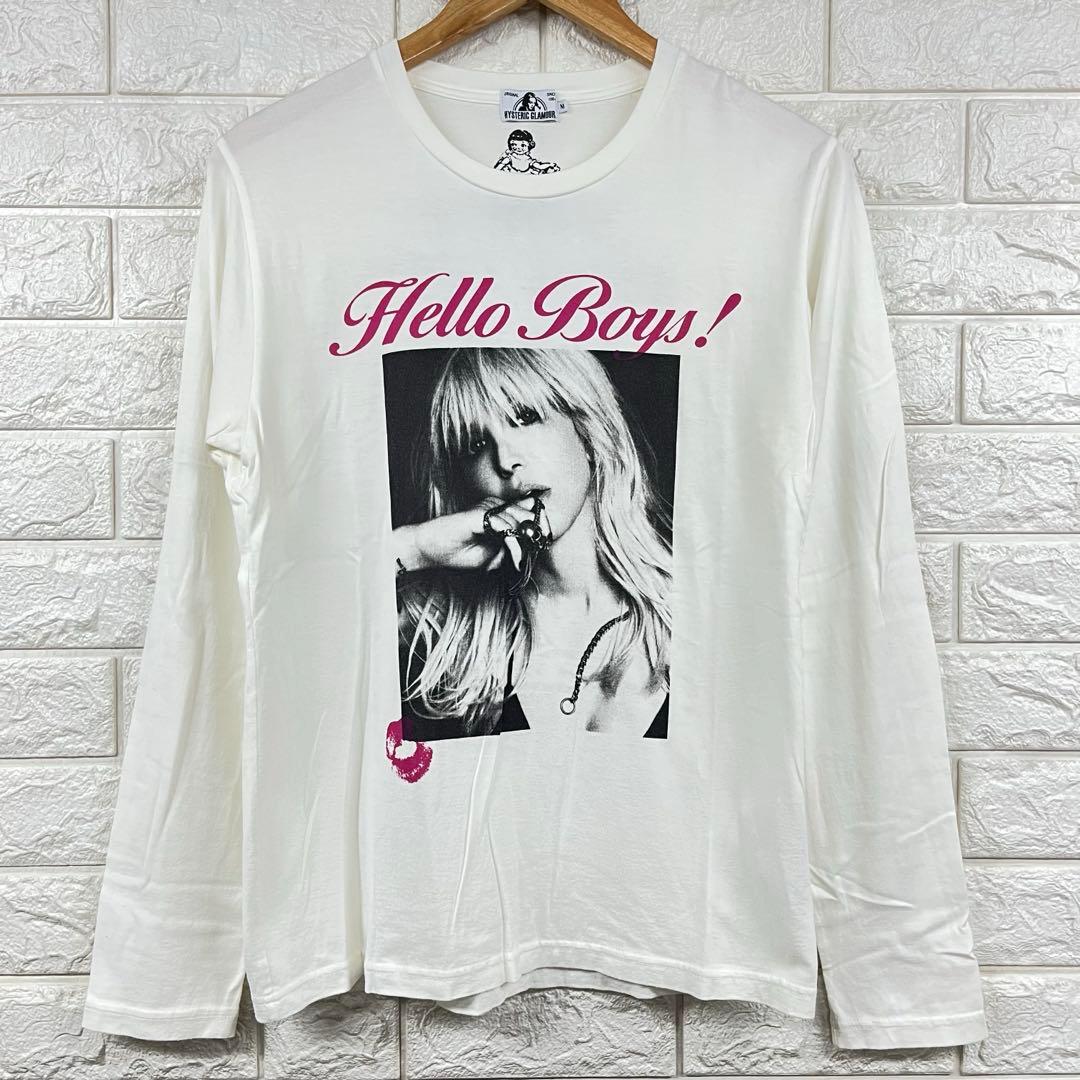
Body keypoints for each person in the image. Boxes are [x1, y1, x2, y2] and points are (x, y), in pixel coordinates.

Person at [392, 346, 672, 741]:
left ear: (588, 433)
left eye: (524, 417)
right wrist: (416, 547)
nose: (505, 460)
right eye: (476, 444)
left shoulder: (692, 615)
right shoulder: (436, 641)